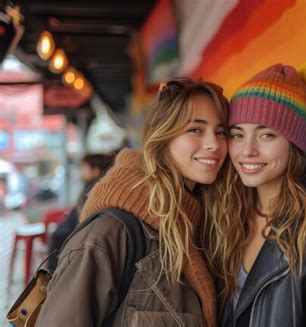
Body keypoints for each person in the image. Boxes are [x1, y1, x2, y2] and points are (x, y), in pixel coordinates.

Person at [36, 78, 229, 327]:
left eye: (221, 132)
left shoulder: (200, 227)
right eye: (195, 129)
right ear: (162, 136)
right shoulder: (111, 234)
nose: (214, 143)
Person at [202, 64, 306, 326]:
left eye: (266, 135)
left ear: (294, 143)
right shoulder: (230, 217)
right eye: (237, 134)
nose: (247, 150)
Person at [47, 153, 114, 270]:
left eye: (84, 168)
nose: (81, 172)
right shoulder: (93, 185)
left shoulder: (94, 188)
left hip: (77, 232)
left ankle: (52, 277)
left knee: (57, 237)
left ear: (96, 170)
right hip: (76, 227)